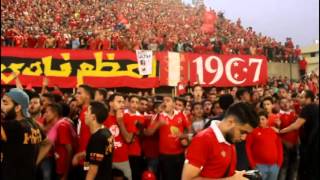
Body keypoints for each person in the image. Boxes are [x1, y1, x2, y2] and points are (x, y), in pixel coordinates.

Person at [182, 102, 259, 179]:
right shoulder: (203, 139)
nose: (243, 138)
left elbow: (217, 171)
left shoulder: (229, 138)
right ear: (230, 122)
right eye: (242, 132)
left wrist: (237, 175)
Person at [1, 88, 52, 180]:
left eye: (5, 103)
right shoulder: (34, 124)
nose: (2, 106)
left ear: (17, 108)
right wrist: (34, 163)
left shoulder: (13, 125)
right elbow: (47, 143)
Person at [146, 95, 191, 180]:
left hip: (179, 154)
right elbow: (148, 133)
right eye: (164, 101)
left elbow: (191, 132)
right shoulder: (158, 115)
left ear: (173, 104)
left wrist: (184, 137)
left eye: (168, 100)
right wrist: (158, 123)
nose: (165, 102)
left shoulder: (181, 115)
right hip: (165, 155)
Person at [279, 90, 320, 179]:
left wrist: (280, 131)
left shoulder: (307, 108)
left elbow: (296, 125)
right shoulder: (316, 107)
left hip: (310, 147)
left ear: (308, 99)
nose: (299, 99)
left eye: (301, 97)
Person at [246, 111, 283, 180]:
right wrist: (253, 165)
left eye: (262, 119)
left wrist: (279, 163)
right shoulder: (253, 132)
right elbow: (247, 148)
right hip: (259, 166)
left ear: (267, 120)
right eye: (258, 119)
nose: (260, 121)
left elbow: (279, 147)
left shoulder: (273, 131)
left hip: (274, 166)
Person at [104, 93, 132, 180]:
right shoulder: (103, 118)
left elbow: (128, 139)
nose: (122, 105)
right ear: (111, 103)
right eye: (119, 102)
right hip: (107, 160)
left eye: (123, 102)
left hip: (122, 160)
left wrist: (120, 122)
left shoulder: (127, 117)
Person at [84, 101, 114, 180]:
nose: (85, 114)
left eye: (87, 111)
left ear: (93, 117)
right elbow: (101, 155)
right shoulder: (106, 132)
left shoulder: (98, 138)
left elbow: (93, 169)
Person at [72, 85, 94, 180]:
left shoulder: (90, 113)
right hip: (82, 159)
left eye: (79, 93)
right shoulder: (82, 111)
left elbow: (95, 139)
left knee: (86, 175)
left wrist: (80, 155)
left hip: (87, 160)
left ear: (88, 96)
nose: (76, 95)